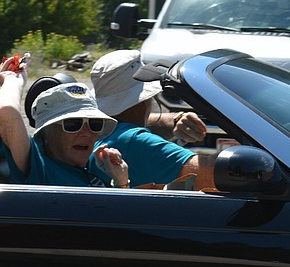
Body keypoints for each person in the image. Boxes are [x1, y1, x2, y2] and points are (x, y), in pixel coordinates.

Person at [0, 54, 130, 187]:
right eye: (73, 124)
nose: (87, 133)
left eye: (95, 124)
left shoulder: (98, 169)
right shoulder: (39, 166)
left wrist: (121, 181)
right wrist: (12, 79)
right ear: (46, 132)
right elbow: (7, 112)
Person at [89, 50, 214, 188]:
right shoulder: (136, 142)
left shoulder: (95, 129)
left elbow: (145, 122)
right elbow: (215, 175)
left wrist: (175, 120)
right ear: (145, 99)